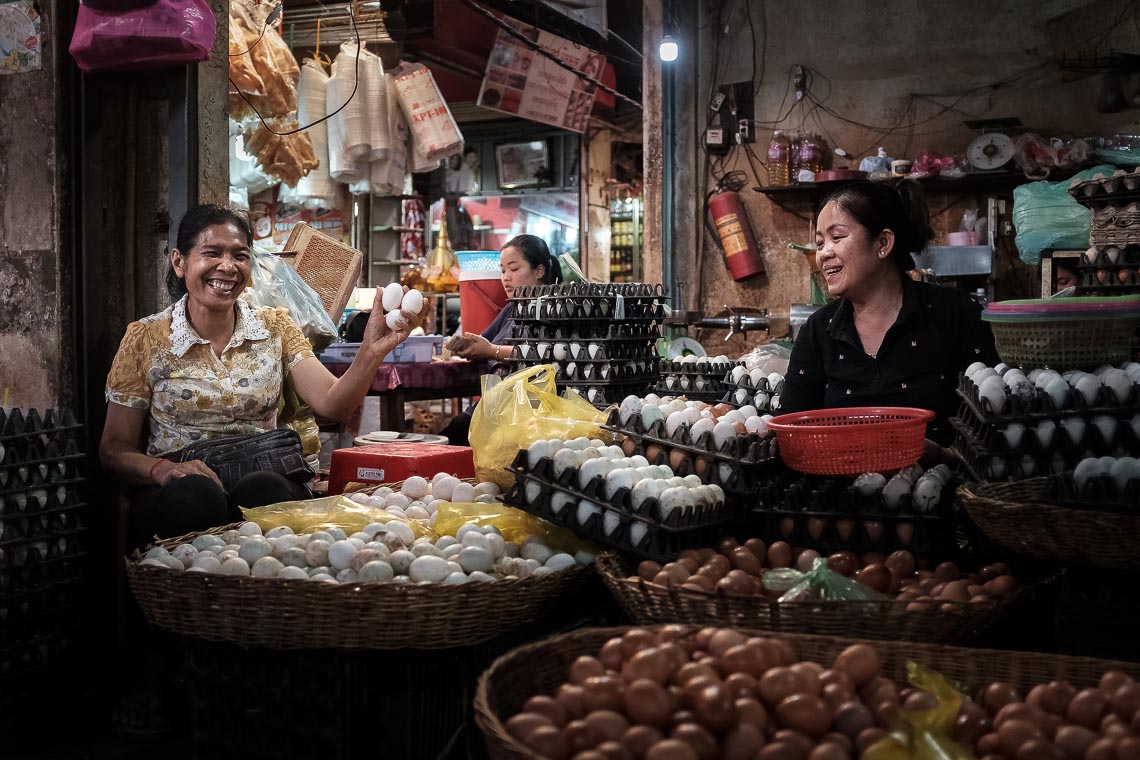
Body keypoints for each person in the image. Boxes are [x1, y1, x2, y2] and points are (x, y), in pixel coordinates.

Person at [100, 205, 428, 545]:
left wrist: (371, 352)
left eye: (240, 256)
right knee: (197, 495)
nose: (227, 267)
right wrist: (161, 470)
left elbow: (332, 405)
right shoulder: (147, 338)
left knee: (263, 489)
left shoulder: (275, 326)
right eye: (211, 253)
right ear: (180, 262)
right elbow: (114, 448)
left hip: (259, 474)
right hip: (178, 490)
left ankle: (266, 592)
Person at [779, 182, 1000, 456]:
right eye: (821, 242)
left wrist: (944, 456)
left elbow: (995, 423)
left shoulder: (955, 314)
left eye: (837, 237)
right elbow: (790, 426)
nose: (823, 253)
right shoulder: (819, 330)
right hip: (841, 488)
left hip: (942, 487)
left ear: (883, 243)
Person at [441, 234, 563, 444]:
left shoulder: (553, 310)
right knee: (452, 433)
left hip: (527, 411)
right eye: (503, 270)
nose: (506, 277)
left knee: (457, 432)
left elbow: (544, 353)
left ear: (539, 271)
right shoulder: (511, 309)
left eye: (514, 269)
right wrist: (466, 346)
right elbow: (484, 341)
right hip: (495, 405)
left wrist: (492, 351)